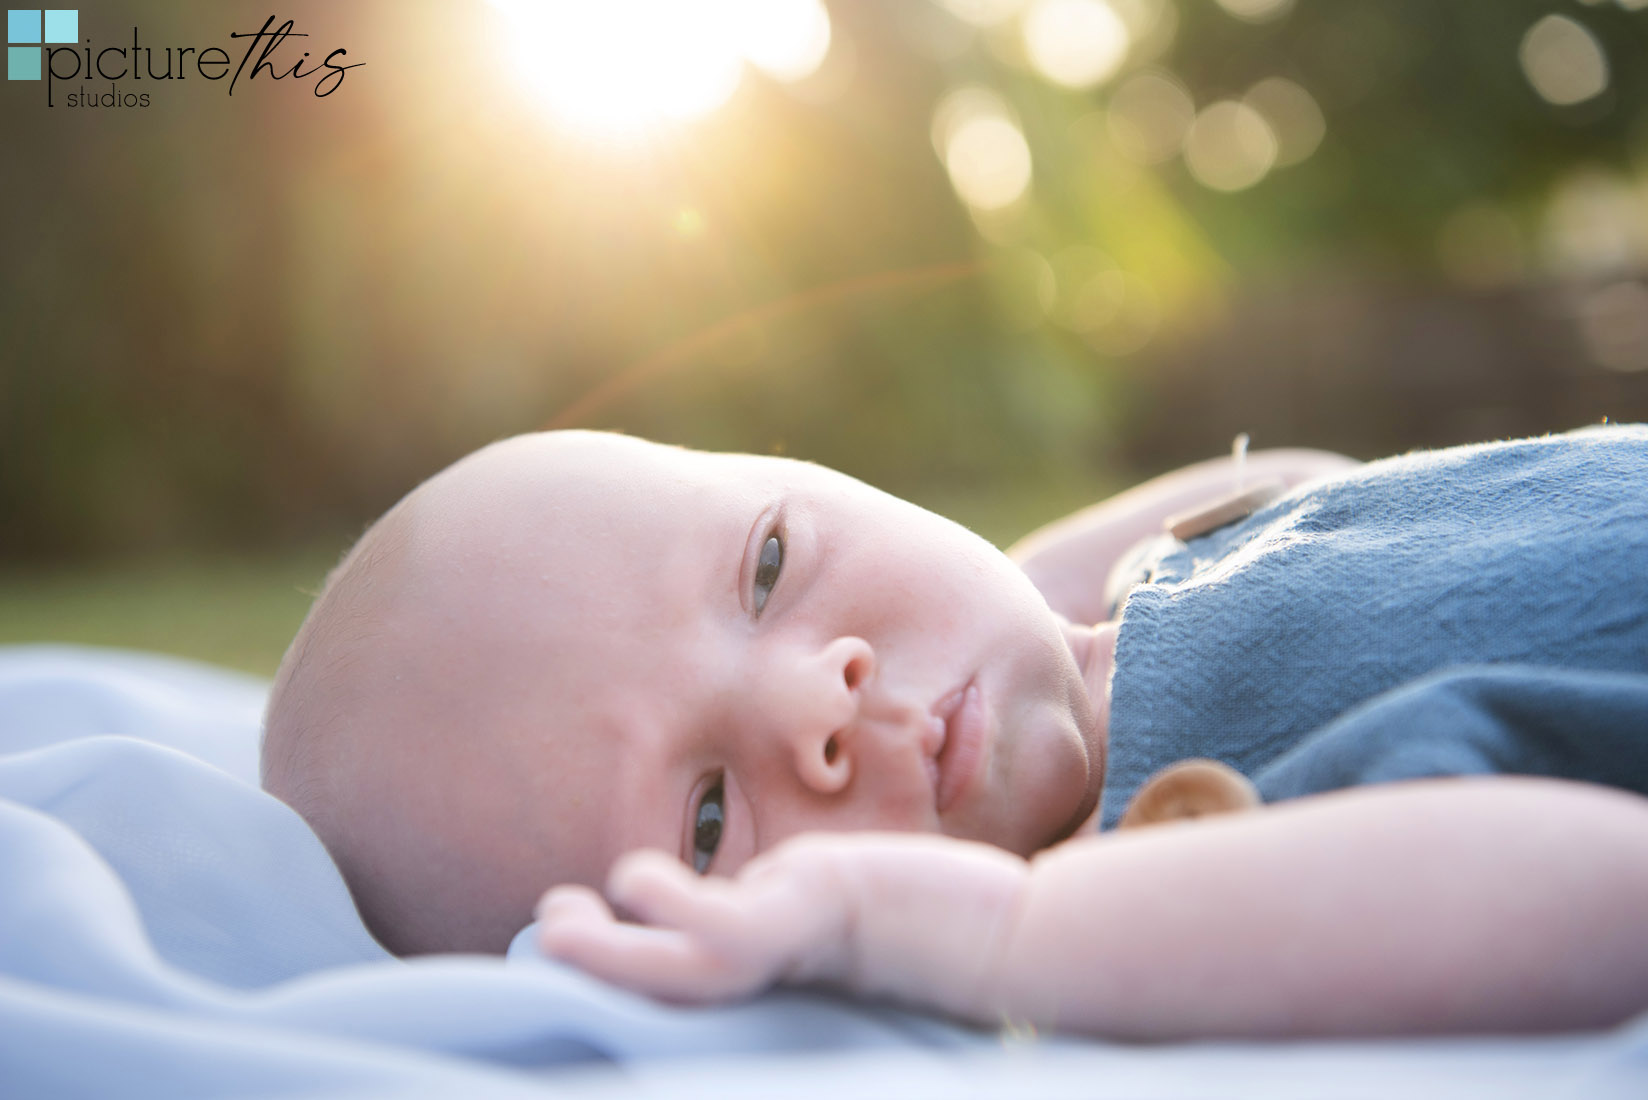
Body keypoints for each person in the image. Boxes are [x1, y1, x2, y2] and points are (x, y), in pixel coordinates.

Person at [260, 425, 1648, 1040]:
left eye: (765, 570)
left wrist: (1031, 599)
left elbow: (1318, 488)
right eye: (704, 818)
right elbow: (1604, 896)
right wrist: (989, 940)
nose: (821, 701)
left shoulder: (1144, 594)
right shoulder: (1156, 894)